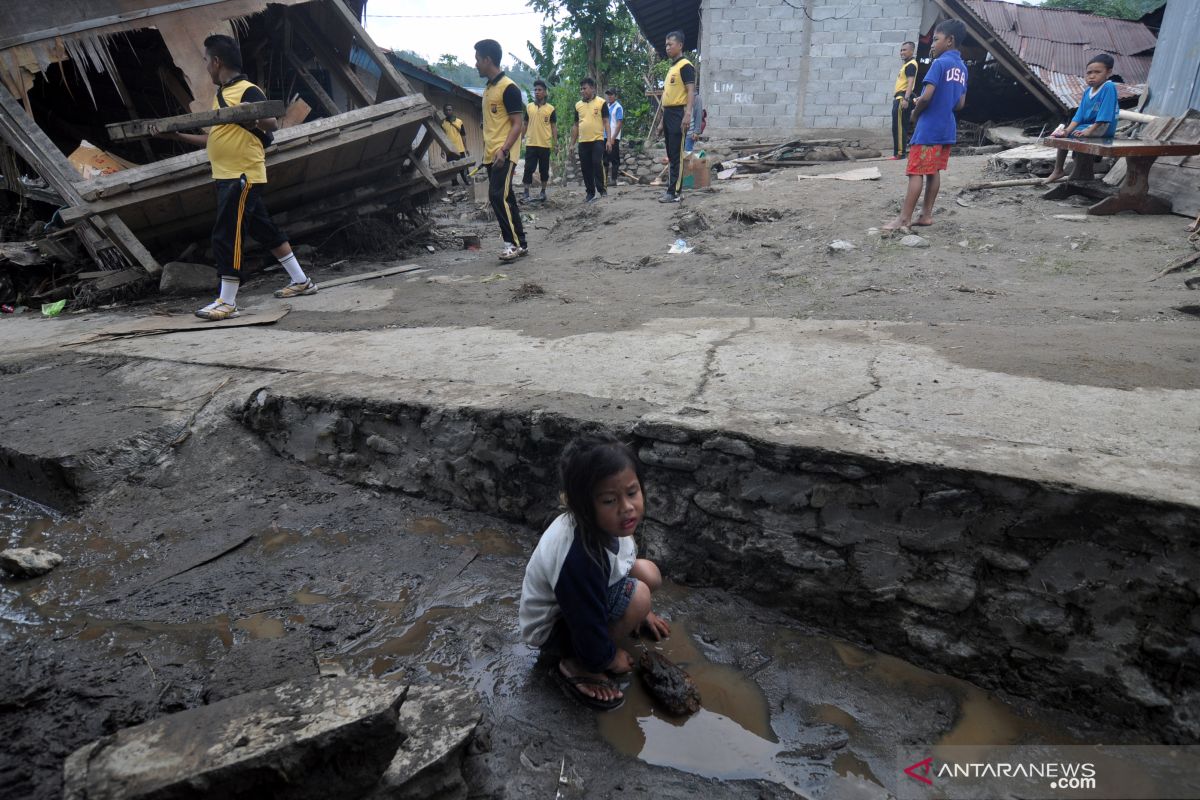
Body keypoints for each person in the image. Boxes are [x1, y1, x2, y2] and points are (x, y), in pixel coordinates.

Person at [155, 34, 314, 320]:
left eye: (205, 61)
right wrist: (177, 135)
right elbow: (213, 140)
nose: (205, 67)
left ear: (216, 62)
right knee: (265, 230)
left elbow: (269, 122)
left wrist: (247, 115)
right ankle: (301, 281)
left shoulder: (246, 89)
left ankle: (227, 301)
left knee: (228, 233)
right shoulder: (221, 97)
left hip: (240, 174)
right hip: (229, 174)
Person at [519, 435, 671, 710]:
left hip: (585, 597)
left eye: (632, 493)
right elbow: (584, 619)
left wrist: (641, 613)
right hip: (556, 627)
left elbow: (621, 564)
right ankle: (577, 664)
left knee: (648, 574)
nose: (626, 507)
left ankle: (625, 616)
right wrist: (606, 658)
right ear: (583, 506)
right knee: (638, 595)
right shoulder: (580, 556)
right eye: (610, 500)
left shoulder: (611, 524)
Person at [883, 20, 968, 232]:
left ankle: (904, 219)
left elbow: (927, 96)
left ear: (950, 41)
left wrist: (915, 111)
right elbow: (960, 104)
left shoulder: (939, 64)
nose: (932, 44)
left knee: (915, 172)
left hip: (929, 128)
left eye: (936, 40)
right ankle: (926, 214)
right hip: (946, 128)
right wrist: (944, 100)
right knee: (933, 171)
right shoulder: (962, 67)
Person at [474, 38, 528, 262]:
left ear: (488, 60)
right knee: (507, 198)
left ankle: (511, 244)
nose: (475, 64)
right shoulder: (488, 90)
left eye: (477, 59)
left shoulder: (509, 88)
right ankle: (521, 243)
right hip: (491, 154)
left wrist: (504, 150)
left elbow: (518, 124)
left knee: (497, 196)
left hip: (503, 154)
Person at [1044, 54, 1119, 184]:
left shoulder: (1108, 87)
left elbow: (1105, 115)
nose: (1092, 76)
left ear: (1109, 72)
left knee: (1074, 135)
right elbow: (1079, 115)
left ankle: (1075, 172)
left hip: (1102, 127)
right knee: (1062, 135)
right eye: (1089, 72)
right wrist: (1066, 131)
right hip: (1087, 127)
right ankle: (1059, 170)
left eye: (1097, 72)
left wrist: (1090, 131)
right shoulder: (1087, 91)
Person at [655, 30, 695, 203]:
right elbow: (667, 97)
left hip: (679, 112)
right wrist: (662, 122)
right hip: (669, 113)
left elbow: (691, 90)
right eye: (666, 44)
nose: (667, 47)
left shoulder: (685, 65)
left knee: (677, 154)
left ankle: (674, 192)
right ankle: (671, 188)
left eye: (670, 44)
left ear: (680, 45)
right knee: (671, 154)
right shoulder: (672, 67)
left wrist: (687, 114)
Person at [571, 77, 609, 203]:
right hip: (583, 142)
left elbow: (606, 122)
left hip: (597, 139)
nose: (582, 91)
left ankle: (602, 190)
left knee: (597, 163)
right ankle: (590, 193)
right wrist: (572, 144)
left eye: (585, 88)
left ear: (592, 88)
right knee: (585, 168)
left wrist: (608, 140)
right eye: (581, 89)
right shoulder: (578, 105)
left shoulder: (601, 102)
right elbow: (576, 125)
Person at [522, 80, 557, 202]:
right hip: (531, 143)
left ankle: (543, 191)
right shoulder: (529, 107)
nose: (537, 92)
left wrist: (555, 142)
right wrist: (521, 137)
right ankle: (526, 191)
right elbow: (525, 124)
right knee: (528, 168)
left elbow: (553, 126)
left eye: (540, 90)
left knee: (544, 169)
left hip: (545, 144)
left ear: (545, 92)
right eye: (535, 90)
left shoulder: (551, 109)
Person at [891, 41, 918, 159]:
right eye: (901, 50)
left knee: (898, 126)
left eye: (905, 50)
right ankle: (899, 153)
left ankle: (900, 153)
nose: (902, 52)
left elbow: (910, 82)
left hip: (902, 97)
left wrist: (906, 99)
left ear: (912, 51)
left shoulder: (911, 64)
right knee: (900, 125)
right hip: (901, 97)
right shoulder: (906, 64)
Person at [441, 103, 471, 186]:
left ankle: (467, 182)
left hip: (460, 149)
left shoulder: (459, 121)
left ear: (452, 110)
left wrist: (466, 148)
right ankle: (455, 184)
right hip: (449, 151)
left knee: (464, 167)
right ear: (444, 112)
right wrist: (442, 150)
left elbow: (463, 135)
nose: (448, 111)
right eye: (446, 110)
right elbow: (442, 137)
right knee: (452, 168)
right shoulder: (443, 123)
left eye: (450, 109)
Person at [603, 88, 624, 185]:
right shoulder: (606, 106)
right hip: (605, 136)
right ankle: (605, 179)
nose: (609, 96)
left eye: (611, 94)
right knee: (605, 158)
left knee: (614, 159)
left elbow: (619, 124)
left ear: (615, 96)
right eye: (608, 95)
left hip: (614, 137)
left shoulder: (618, 107)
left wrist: (613, 138)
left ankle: (614, 179)